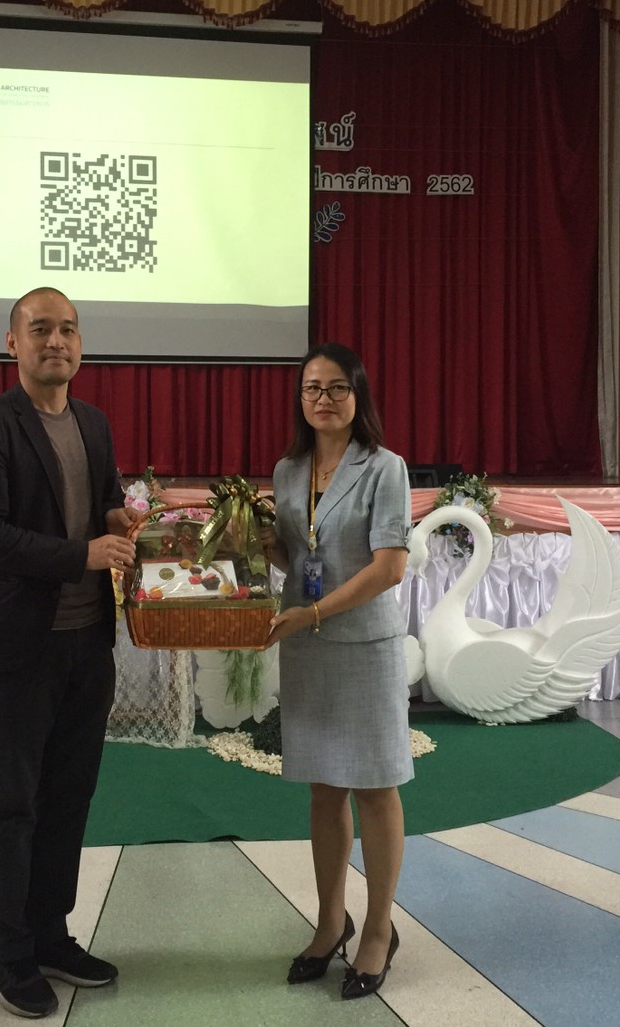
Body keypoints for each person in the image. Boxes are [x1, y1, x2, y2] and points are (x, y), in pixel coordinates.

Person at [0, 287, 140, 1020]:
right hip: (19, 651)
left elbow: (105, 501)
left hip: (87, 646)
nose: (55, 341)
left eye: (67, 329)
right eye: (40, 329)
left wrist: (119, 517)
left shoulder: (93, 423)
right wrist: (80, 554)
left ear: (80, 344)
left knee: (68, 799)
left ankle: (50, 935)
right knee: (11, 806)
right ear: (13, 344)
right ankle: (7, 953)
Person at [262, 342, 412, 1000]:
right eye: (311, 388)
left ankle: (378, 929)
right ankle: (330, 922)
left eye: (336, 388)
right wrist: (259, 543)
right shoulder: (288, 470)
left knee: (375, 786)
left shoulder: (385, 468)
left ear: (358, 395)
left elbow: (389, 568)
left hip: (362, 645)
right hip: (309, 646)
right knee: (324, 789)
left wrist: (313, 611)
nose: (322, 399)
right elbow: (300, 557)